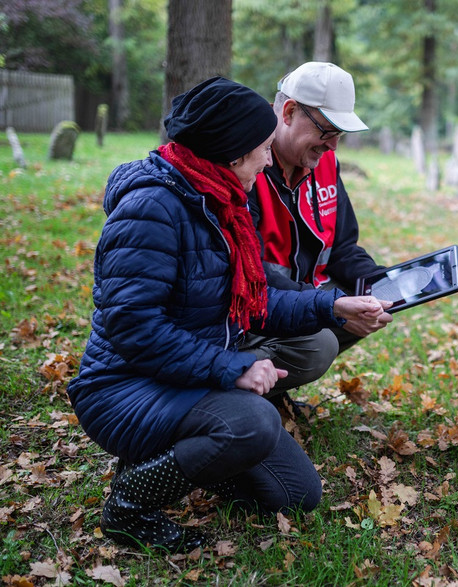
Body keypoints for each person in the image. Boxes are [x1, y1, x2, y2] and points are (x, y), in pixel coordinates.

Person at [66, 76, 392, 552]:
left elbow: (254, 299)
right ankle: (129, 505)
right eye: (261, 150)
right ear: (234, 153)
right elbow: (134, 327)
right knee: (254, 423)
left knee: (296, 495)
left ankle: (175, 458)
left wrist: (330, 304)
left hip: (185, 375)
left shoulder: (221, 201)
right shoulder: (151, 208)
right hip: (123, 386)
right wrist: (234, 368)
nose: (266, 161)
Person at [244, 61, 391, 399]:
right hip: (255, 304)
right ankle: (243, 383)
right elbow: (251, 274)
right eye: (327, 132)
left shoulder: (324, 162)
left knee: (369, 302)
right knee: (321, 344)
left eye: (340, 135)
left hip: (299, 296)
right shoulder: (246, 163)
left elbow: (342, 245)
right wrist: (330, 306)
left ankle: (269, 382)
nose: (333, 147)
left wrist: (381, 284)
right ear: (289, 112)